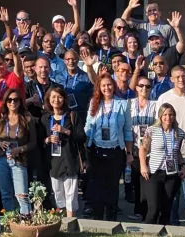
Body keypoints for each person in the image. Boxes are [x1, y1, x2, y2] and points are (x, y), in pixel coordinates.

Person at [83, 71, 132, 220]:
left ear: (114, 85)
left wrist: (129, 153)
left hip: (115, 151)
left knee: (113, 187)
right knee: (97, 185)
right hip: (96, 150)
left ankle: (111, 218)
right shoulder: (94, 102)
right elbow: (88, 125)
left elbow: (128, 130)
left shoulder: (122, 104)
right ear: (99, 87)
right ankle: (98, 218)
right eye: (103, 85)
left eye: (109, 85)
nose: (107, 88)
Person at [157, 65, 185, 226]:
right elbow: (158, 126)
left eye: (184, 76)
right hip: (170, 154)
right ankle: (173, 225)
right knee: (172, 194)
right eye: (177, 77)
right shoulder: (164, 98)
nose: (181, 79)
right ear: (171, 79)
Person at [138, 103, 185, 225]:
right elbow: (143, 149)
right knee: (153, 209)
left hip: (171, 174)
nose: (168, 117)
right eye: (165, 114)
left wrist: (184, 166)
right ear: (160, 116)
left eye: (171, 114)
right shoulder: (151, 130)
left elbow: (177, 152)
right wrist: (143, 165)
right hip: (154, 173)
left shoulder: (179, 133)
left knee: (166, 209)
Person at [0, 88, 34, 216]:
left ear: (20, 101)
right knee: (6, 194)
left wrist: (20, 149)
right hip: (1, 159)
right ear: (5, 102)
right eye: (9, 100)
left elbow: (33, 142)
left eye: (16, 99)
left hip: (19, 159)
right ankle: (11, 222)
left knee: (22, 194)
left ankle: (25, 221)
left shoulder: (27, 118)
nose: (12, 102)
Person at [42, 85, 84, 217]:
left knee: (71, 194)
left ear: (65, 99)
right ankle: (60, 222)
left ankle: (71, 223)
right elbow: (39, 141)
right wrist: (48, 140)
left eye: (59, 97)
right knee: (58, 193)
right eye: (53, 97)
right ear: (49, 99)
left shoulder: (72, 116)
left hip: (70, 160)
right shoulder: (45, 119)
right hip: (54, 162)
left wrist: (65, 131)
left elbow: (82, 137)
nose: (56, 100)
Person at [127, 75, 158, 219]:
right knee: (135, 180)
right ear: (136, 88)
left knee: (147, 179)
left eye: (147, 86)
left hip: (149, 149)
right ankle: (138, 210)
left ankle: (146, 212)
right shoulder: (129, 104)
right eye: (141, 85)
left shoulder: (155, 105)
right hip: (133, 147)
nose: (144, 88)